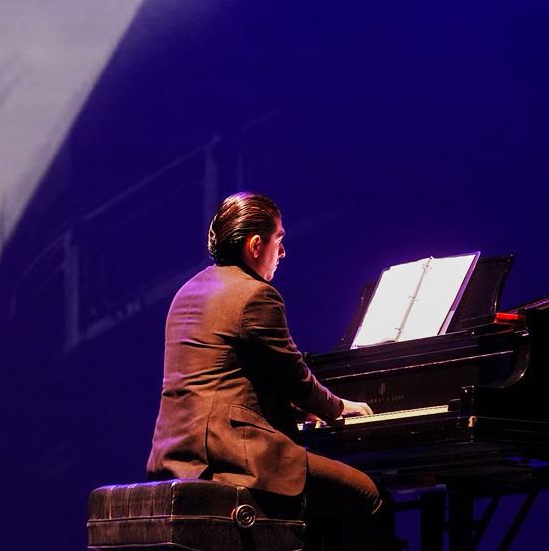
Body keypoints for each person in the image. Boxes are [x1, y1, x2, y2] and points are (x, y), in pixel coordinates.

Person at [146, 192, 390, 549]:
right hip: (234, 458)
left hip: (178, 456)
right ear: (256, 245)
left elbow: (229, 379)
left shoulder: (187, 292)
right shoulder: (256, 295)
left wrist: (297, 410)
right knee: (371, 497)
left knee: (324, 508)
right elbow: (295, 378)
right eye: (279, 239)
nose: (283, 251)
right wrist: (336, 407)